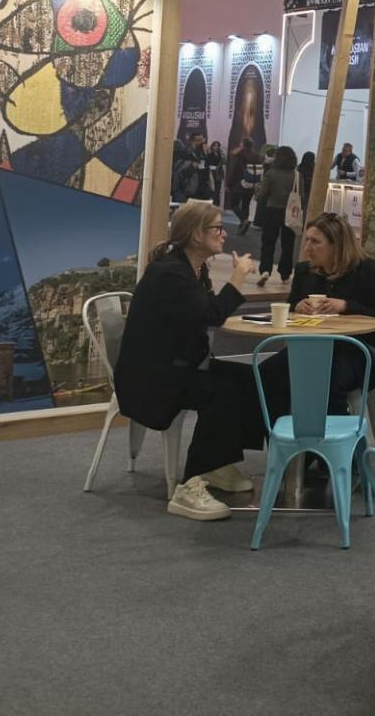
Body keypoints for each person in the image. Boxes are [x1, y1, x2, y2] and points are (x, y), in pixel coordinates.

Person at [112, 201, 289, 521]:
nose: (224, 234)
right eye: (217, 228)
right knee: (221, 391)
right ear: (196, 234)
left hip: (178, 364)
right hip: (151, 378)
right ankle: (189, 487)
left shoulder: (192, 268)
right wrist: (237, 277)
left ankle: (217, 464)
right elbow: (211, 314)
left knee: (248, 378)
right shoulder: (170, 273)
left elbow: (203, 314)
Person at [289, 212, 375, 412]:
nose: (307, 248)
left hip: (358, 351)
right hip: (312, 347)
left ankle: (334, 431)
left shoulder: (369, 272)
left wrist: (347, 306)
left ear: (337, 245)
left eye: (315, 242)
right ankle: (282, 428)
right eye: (307, 240)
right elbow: (289, 306)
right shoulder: (305, 271)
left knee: (327, 380)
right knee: (268, 373)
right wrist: (297, 306)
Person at [255, 145, 300, 287]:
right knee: (288, 244)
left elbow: (263, 194)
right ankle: (285, 273)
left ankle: (265, 270)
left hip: (272, 210)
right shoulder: (297, 175)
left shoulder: (271, 173)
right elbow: (302, 195)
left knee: (268, 242)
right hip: (290, 213)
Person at [225, 138, 258, 235]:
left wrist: (229, 183)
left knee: (233, 204)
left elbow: (234, 170)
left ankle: (243, 220)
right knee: (245, 205)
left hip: (238, 184)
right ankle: (242, 227)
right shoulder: (256, 156)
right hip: (251, 184)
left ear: (242, 144)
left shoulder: (239, 155)